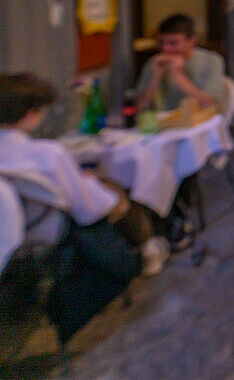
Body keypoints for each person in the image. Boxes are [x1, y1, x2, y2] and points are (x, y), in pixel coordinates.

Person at [0, 73, 168, 275]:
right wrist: (89, 183)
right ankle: (145, 254)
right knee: (118, 193)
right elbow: (88, 210)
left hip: (20, 231)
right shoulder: (47, 154)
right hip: (55, 230)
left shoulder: (35, 153)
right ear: (29, 114)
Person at [135, 14, 226, 114]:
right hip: (163, 125)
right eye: (161, 42)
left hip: (198, 125)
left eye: (173, 43)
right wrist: (155, 77)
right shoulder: (154, 62)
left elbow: (208, 105)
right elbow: (140, 107)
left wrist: (177, 75)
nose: (166, 48)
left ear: (192, 40)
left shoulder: (212, 61)